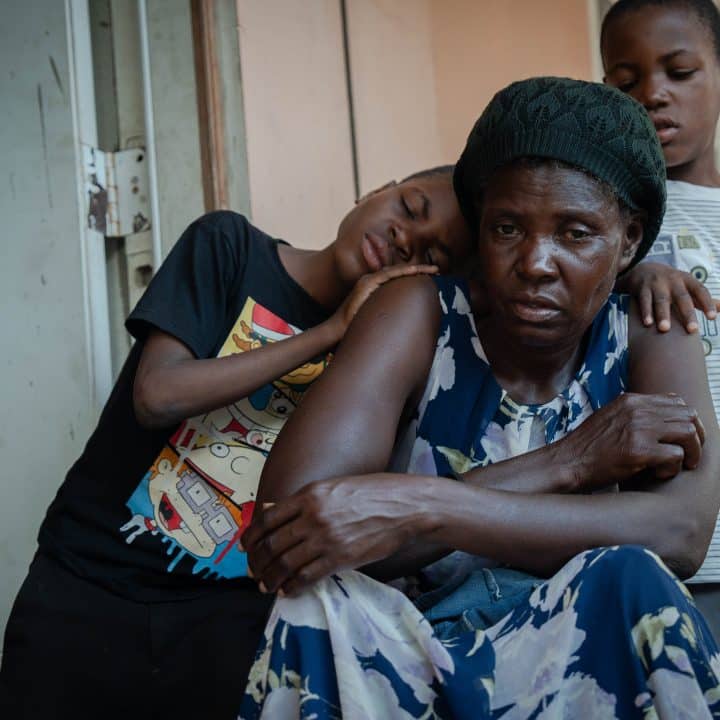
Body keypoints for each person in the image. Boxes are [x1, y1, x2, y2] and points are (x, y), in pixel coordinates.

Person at [240, 77, 720, 718]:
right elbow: (289, 530)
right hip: (407, 650)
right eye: (507, 228)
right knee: (317, 602)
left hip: (579, 660)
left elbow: (679, 533)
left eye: (576, 233)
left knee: (632, 579)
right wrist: (567, 461)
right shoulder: (418, 313)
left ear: (629, 240)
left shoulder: (648, 329)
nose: (536, 262)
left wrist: (413, 510)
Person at [0, 167, 475, 719]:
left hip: (225, 623)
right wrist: (326, 334)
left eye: (429, 254)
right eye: (409, 208)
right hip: (83, 585)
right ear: (376, 190)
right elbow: (157, 394)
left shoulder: (379, 361)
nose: (403, 238)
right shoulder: (229, 246)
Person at [601, 0, 720, 631]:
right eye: (625, 82)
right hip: (654, 561)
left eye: (679, 71)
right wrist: (625, 271)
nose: (653, 94)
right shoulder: (602, 217)